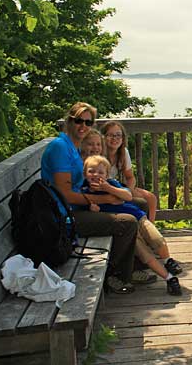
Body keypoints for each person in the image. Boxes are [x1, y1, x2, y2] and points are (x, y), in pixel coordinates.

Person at [40, 102, 137, 294]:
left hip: (76, 208)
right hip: (62, 216)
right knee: (127, 222)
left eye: (88, 122)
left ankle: (136, 266)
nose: (83, 126)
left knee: (136, 202)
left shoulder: (73, 147)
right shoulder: (60, 148)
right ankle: (113, 275)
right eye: (78, 121)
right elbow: (65, 195)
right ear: (69, 121)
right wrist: (106, 200)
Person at [82, 155, 183, 295]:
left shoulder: (111, 183)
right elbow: (89, 212)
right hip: (126, 228)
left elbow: (128, 196)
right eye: (91, 171)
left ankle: (168, 261)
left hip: (138, 218)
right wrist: (94, 209)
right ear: (84, 173)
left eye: (100, 172)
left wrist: (108, 188)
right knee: (145, 255)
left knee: (157, 239)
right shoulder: (85, 192)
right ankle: (169, 278)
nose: (96, 175)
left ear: (107, 174)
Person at [101, 121, 158, 221]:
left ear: (123, 138)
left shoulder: (123, 152)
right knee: (138, 203)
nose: (115, 138)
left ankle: (149, 229)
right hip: (104, 188)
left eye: (118, 135)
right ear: (103, 137)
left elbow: (130, 177)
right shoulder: (99, 152)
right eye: (110, 135)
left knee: (151, 198)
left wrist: (129, 190)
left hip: (116, 186)